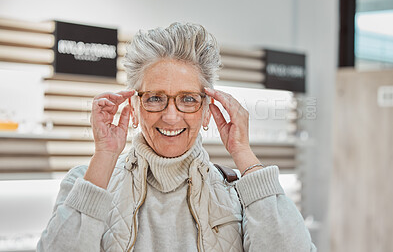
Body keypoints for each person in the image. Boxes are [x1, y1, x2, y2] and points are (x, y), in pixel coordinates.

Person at [37, 22, 316, 252]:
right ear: (134, 107)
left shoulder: (238, 195)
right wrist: (105, 156)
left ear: (207, 110)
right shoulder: (85, 183)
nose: (171, 116)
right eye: (155, 98)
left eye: (188, 99)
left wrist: (243, 152)